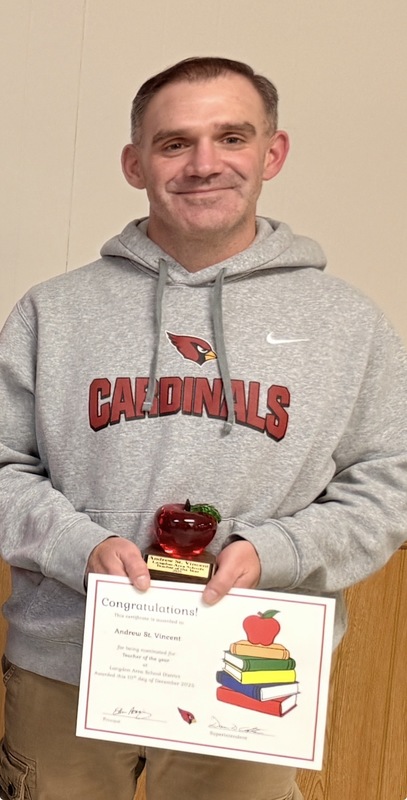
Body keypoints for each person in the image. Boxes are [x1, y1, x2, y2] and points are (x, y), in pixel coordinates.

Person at [0, 56, 406, 800]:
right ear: (135, 163)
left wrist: (275, 550)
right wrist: (79, 546)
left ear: (271, 153)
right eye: (174, 143)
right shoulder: (51, 313)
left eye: (231, 137)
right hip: (69, 659)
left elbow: (390, 484)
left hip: (250, 662)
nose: (204, 164)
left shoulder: (347, 323)